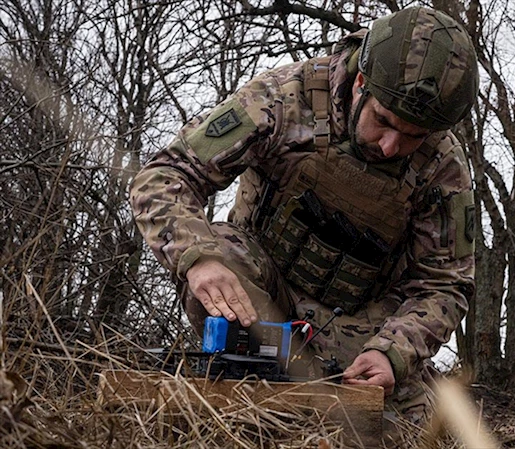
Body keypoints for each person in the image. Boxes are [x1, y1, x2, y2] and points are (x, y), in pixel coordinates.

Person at [130, 5, 478, 443]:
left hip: (359, 332)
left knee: (409, 433)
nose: (392, 146)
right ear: (360, 83)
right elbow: (167, 175)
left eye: (413, 136)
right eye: (384, 122)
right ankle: (249, 391)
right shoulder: (283, 98)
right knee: (220, 249)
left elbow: (444, 284)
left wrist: (393, 354)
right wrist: (196, 258)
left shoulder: (443, 168)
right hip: (260, 296)